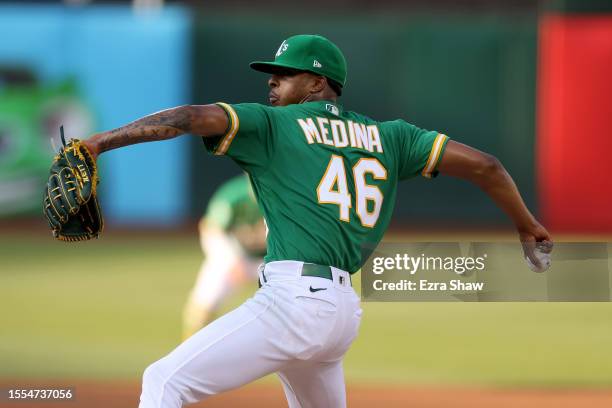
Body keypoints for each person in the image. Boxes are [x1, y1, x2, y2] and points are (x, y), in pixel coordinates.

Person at [81, 34, 552, 408]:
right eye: (272, 75)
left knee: (163, 381)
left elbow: (189, 117)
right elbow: (487, 166)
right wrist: (526, 224)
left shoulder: (272, 125)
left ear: (317, 84)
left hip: (294, 302)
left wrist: (99, 143)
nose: (272, 83)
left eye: (285, 75)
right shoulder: (392, 137)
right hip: (341, 312)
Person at [182, 174, 266, 340]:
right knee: (203, 306)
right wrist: (232, 260)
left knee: (289, 309)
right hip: (235, 258)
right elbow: (210, 229)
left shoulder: (286, 194)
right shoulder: (234, 196)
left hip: (272, 261)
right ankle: (191, 351)